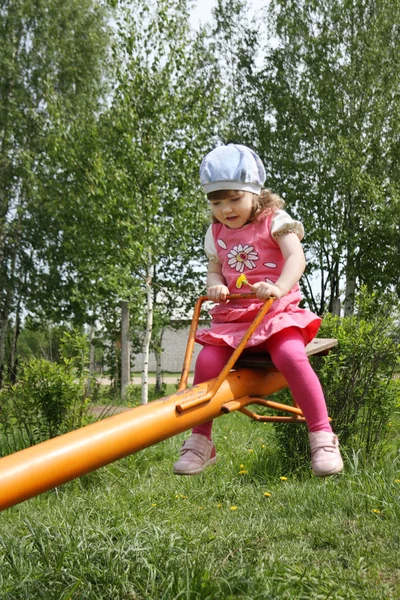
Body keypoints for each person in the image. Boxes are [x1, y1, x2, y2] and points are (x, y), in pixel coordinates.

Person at [173, 143, 343, 478]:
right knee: (206, 362)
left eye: (234, 199)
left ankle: (321, 435)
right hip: (235, 319)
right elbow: (215, 267)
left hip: (274, 313)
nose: (226, 209)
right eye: (217, 202)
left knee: (291, 355)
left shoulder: (275, 221)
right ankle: (201, 441)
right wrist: (216, 284)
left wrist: (279, 286)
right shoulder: (216, 232)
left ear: (255, 193)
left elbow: (296, 258)